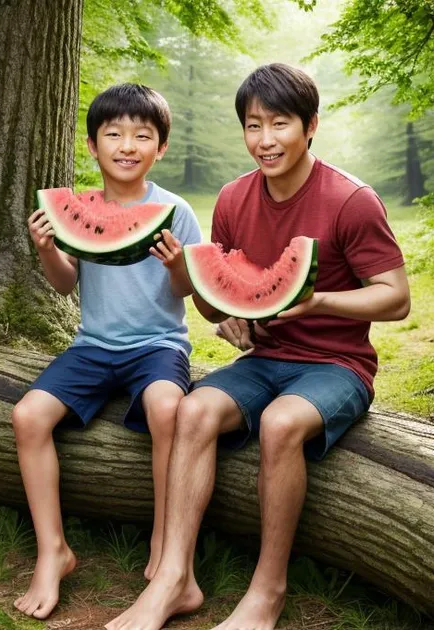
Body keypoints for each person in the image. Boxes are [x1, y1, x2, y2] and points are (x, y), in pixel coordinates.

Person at [107, 63, 410, 630]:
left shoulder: (351, 200)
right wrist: (227, 321)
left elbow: (396, 299)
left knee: (278, 424)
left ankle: (267, 590)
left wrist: (319, 302)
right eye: (253, 126)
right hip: (263, 359)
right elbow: (215, 303)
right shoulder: (233, 198)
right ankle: (175, 579)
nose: (265, 141)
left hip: (336, 365)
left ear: (310, 125)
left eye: (279, 124)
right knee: (193, 409)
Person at [11, 83, 201, 620]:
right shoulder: (79, 208)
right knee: (27, 417)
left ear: (159, 147)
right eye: (113, 133)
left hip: (159, 345)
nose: (127, 144)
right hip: (93, 346)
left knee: (168, 409)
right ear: (93, 145)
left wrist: (176, 265)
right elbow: (65, 285)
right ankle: (54, 550)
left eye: (142, 135)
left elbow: (189, 291)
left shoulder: (175, 209)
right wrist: (48, 249)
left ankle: (166, 543)